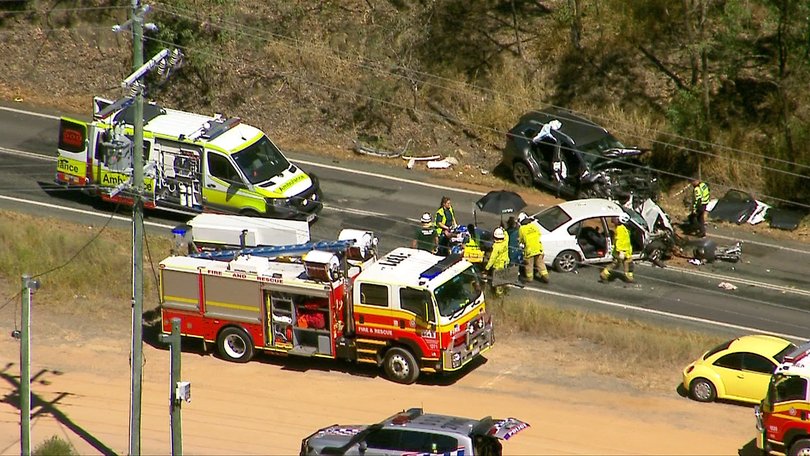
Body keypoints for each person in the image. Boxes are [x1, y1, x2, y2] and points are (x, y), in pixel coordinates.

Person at [600, 213, 634, 283]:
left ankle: (629, 277)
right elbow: (619, 241)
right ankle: (604, 274)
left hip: (626, 251)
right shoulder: (620, 229)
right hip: (622, 251)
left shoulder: (623, 228)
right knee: (616, 264)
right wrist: (620, 251)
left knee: (627, 264)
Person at [518, 212, 549, 283]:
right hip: (538, 248)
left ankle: (529, 278)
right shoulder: (534, 226)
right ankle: (545, 277)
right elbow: (539, 234)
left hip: (529, 250)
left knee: (529, 265)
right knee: (540, 263)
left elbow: (521, 240)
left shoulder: (522, 229)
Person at [484, 227, 509, 296]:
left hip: (498, 266)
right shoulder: (505, 242)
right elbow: (507, 235)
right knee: (503, 278)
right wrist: (503, 230)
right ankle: (505, 288)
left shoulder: (496, 247)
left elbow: (492, 259)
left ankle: (499, 295)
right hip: (505, 263)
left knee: (498, 283)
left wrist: (487, 268)